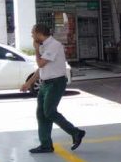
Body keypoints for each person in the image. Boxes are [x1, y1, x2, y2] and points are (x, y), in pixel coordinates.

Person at [21, 24, 86, 153]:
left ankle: (76, 132)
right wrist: (29, 83)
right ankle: (45, 145)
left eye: (33, 33)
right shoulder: (44, 46)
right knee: (41, 114)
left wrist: (36, 50)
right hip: (45, 83)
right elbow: (41, 68)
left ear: (39, 33)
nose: (32, 36)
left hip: (56, 83)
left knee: (49, 112)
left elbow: (40, 63)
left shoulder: (54, 45)